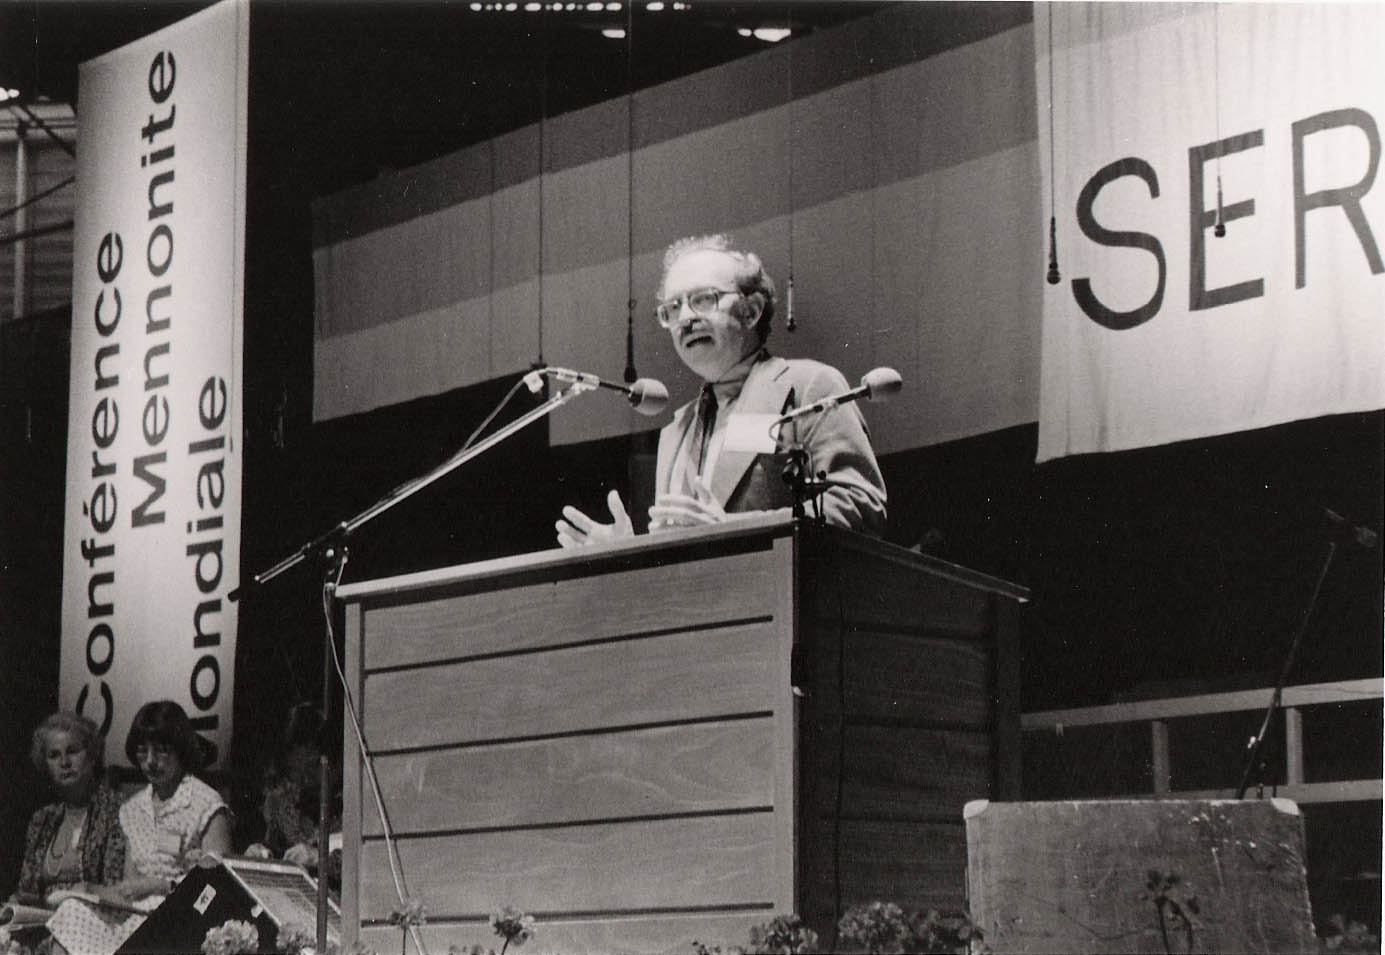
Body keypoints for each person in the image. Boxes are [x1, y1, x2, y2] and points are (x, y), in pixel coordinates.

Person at [556, 233, 887, 546]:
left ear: (751, 311)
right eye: (672, 308)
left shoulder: (809, 386)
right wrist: (627, 551)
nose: (685, 317)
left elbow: (860, 505)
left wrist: (733, 531)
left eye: (703, 299)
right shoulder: (676, 431)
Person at [45, 701, 233, 954]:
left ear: (181, 750)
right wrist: (90, 891)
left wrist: (160, 886)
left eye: (162, 751)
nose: (150, 762)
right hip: (136, 916)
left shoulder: (206, 802)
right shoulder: (132, 809)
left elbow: (219, 887)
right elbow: (130, 888)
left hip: (184, 919)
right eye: (143, 752)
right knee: (71, 913)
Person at [11, 713, 126, 907]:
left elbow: (113, 889)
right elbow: (27, 890)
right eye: (54, 755)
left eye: (72, 751)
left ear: (92, 757)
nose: (64, 762)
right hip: (40, 922)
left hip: (92, 921)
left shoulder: (117, 811)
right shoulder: (42, 819)